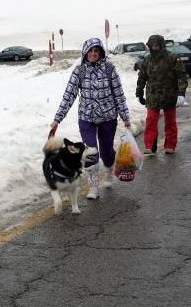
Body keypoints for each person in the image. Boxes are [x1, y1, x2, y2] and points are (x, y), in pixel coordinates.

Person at [50, 37, 131, 200]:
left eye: (96, 51)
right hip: (86, 118)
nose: (93, 54)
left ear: (100, 53)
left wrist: (125, 116)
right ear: (85, 52)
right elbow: (69, 96)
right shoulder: (79, 71)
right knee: (91, 151)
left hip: (108, 117)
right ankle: (94, 185)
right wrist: (57, 119)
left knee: (107, 151)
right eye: (90, 51)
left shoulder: (109, 69)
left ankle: (108, 170)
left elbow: (119, 95)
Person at [136, 34, 188, 155]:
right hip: (152, 96)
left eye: (156, 45)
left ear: (161, 45)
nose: (154, 48)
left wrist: (181, 94)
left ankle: (170, 144)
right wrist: (139, 93)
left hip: (170, 95)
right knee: (150, 121)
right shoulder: (147, 60)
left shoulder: (172, 58)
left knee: (170, 122)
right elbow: (142, 77)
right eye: (152, 45)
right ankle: (149, 145)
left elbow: (182, 77)